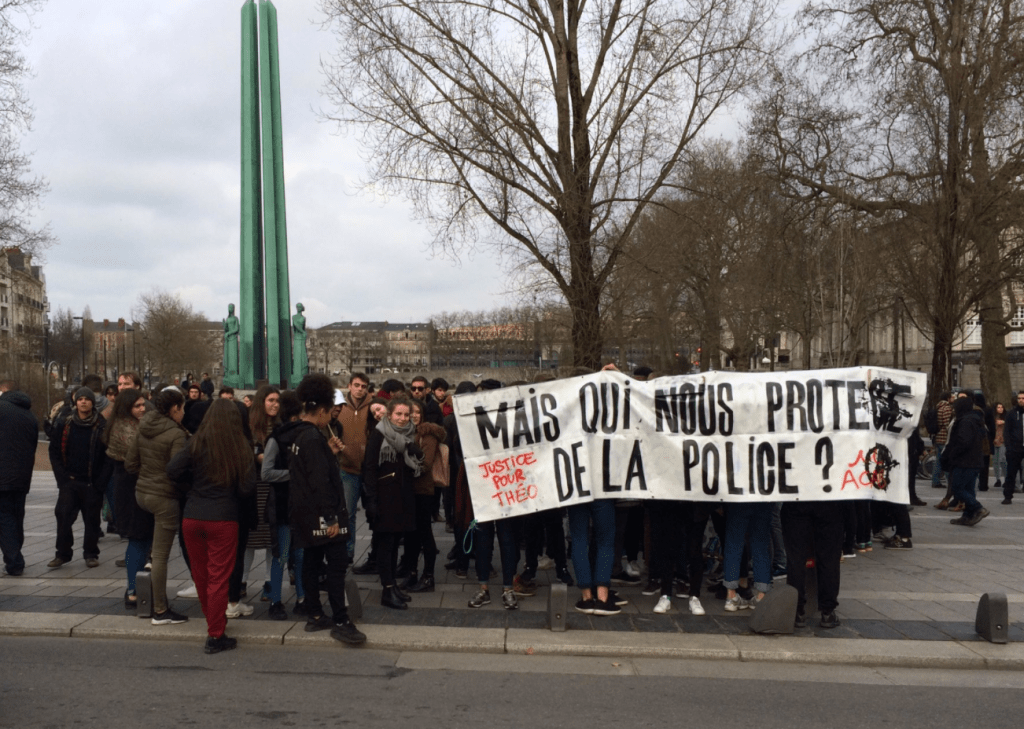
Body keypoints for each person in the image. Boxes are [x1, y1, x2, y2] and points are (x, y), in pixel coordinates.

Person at [167, 399, 257, 654]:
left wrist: (192, 487)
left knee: (201, 575)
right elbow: (247, 488)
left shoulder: (196, 442)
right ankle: (216, 634)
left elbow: (172, 470)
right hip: (223, 517)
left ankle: (214, 621)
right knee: (219, 578)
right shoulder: (241, 446)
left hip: (192, 516)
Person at [282, 373, 365, 645]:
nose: (331, 418)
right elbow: (320, 481)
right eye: (329, 413)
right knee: (336, 566)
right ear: (320, 411)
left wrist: (328, 453)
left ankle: (315, 613)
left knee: (312, 561)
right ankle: (341, 620)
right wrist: (331, 518)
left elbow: (306, 473)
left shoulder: (299, 435)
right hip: (323, 514)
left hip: (305, 514)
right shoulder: (312, 438)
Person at [125, 387, 189, 625]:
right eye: (182, 408)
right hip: (164, 498)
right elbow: (177, 470)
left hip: (142, 493)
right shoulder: (175, 434)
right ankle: (160, 610)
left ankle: (141, 594)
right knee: (160, 556)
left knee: (150, 550)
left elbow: (130, 463)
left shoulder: (144, 426)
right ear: (175, 409)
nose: (184, 413)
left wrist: (148, 476)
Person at [363, 397, 421, 610]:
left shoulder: (409, 433)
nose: (403, 418)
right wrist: (371, 500)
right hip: (384, 497)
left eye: (406, 415)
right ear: (389, 415)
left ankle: (393, 586)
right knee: (385, 545)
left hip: (402, 497)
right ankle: (387, 590)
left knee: (396, 543)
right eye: (398, 414)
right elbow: (369, 468)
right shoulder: (379, 433)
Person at [47, 387, 108, 569]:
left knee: (92, 520)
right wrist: (62, 478)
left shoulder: (101, 425)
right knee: (63, 516)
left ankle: (91, 553)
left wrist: (100, 482)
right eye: (80, 399)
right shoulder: (65, 423)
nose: (83, 402)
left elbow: (108, 457)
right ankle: (62, 554)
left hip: (92, 483)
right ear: (75, 402)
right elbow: (54, 451)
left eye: (87, 399)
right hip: (69, 481)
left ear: (92, 403)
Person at [260, 390, 306, 619]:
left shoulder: (300, 436)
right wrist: (294, 475)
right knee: (285, 555)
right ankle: (279, 600)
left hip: (294, 505)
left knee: (296, 556)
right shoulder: (277, 439)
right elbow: (266, 473)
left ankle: (297, 599)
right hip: (283, 505)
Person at [104, 388, 150, 607]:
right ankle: (133, 590)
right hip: (129, 487)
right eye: (137, 406)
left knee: (142, 539)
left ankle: (136, 587)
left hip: (133, 485)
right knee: (137, 538)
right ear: (126, 407)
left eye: (143, 405)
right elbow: (140, 455)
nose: (142, 409)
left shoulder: (133, 424)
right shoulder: (123, 428)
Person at [400, 398, 445, 592]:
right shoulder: (404, 432)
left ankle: (428, 577)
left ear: (423, 414)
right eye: (410, 412)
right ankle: (411, 573)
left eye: (417, 412)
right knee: (410, 535)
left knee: (424, 533)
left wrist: (408, 455)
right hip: (407, 491)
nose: (414, 416)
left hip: (423, 491)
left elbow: (425, 464)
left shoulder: (428, 434)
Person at [0, 380, 38, 576]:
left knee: (4, 518)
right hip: (23, 476)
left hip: (2, 476)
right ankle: (15, 554)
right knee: (17, 516)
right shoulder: (29, 414)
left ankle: (15, 561)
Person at [338, 373, 372, 565]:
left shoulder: (373, 407)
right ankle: (347, 552)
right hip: (347, 469)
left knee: (375, 515)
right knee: (348, 513)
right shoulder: (340, 408)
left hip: (369, 470)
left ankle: (375, 555)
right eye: (357, 385)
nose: (360, 389)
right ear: (349, 386)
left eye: (363, 386)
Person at [941, 395, 989, 526]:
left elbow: (963, 442)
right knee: (968, 489)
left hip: (964, 461)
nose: (954, 410)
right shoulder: (976, 419)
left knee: (957, 488)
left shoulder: (965, 421)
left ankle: (978, 508)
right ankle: (968, 515)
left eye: (955, 407)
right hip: (975, 460)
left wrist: (952, 455)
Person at [1000, 391, 1024, 505]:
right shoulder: (1011, 413)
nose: (1021, 400)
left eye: (1023, 398)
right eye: (1019, 398)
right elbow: (1007, 431)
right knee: (1011, 473)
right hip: (1015, 448)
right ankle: (1008, 496)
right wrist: (1009, 447)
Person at [993, 401, 1006, 494]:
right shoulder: (994, 418)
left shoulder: (1006, 417)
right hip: (995, 441)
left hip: (1003, 441)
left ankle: (1006, 478)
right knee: (995, 461)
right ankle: (998, 479)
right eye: (998, 407)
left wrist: (1003, 422)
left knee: (1002, 460)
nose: (1000, 409)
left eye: (1001, 407)